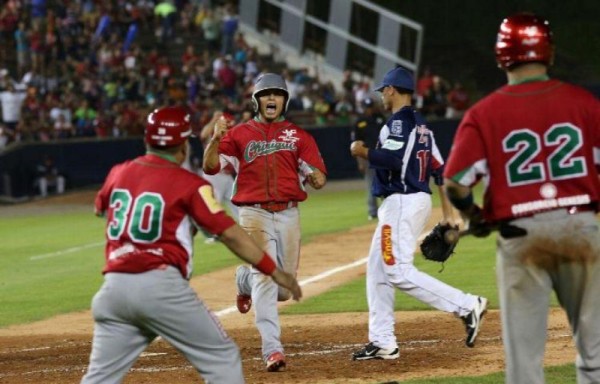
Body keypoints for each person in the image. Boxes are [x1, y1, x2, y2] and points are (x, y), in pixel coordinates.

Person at [81, 106, 303, 384]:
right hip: (161, 288)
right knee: (222, 358)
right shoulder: (190, 184)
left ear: (146, 141)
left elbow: (99, 208)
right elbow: (232, 235)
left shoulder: (118, 172)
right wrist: (275, 271)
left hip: (112, 292)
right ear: (184, 146)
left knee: (99, 378)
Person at [443, 13, 600, 384]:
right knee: (595, 353)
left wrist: (475, 216)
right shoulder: (584, 103)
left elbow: (455, 183)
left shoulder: (483, 113)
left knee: (524, 364)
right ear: (549, 53)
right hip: (580, 229)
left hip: (520, 237)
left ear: (501, 57)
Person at [349, 66, 488, 361]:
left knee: (396, 270)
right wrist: (449, 214)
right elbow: (440, 169)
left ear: (390, 90)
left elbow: (392, 158)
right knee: (378, 268)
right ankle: (383, 340)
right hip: (414, 200)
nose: (382, 97)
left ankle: (466, 306)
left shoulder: (399, 123)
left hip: (402, 202)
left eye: (383, 91)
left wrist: (362, 151)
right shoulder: (422, 125)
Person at [203, 73, 327, 372]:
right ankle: (272, 349)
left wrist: (314, 177)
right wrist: (215, 140)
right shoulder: (239, 134)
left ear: (285, 100)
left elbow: (320, 178)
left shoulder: (299, 137)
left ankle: (242, 280)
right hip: (252, 213)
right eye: (266, 94)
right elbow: (210, 166)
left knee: (282, 288)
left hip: (288, 214)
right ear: (257, 100)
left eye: (277, 94)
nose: (272, 99)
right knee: (266, 277)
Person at [350, 97, 385, 220]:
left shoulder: (380, 118)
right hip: (367, 155)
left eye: (370, 107)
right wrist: (360, 161)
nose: (369, 110)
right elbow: (355, 143)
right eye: (367, 108)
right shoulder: (359, 122)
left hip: (382, 154)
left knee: (385, 182)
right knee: (371, 184)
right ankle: (372, 212)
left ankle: (386, 210)